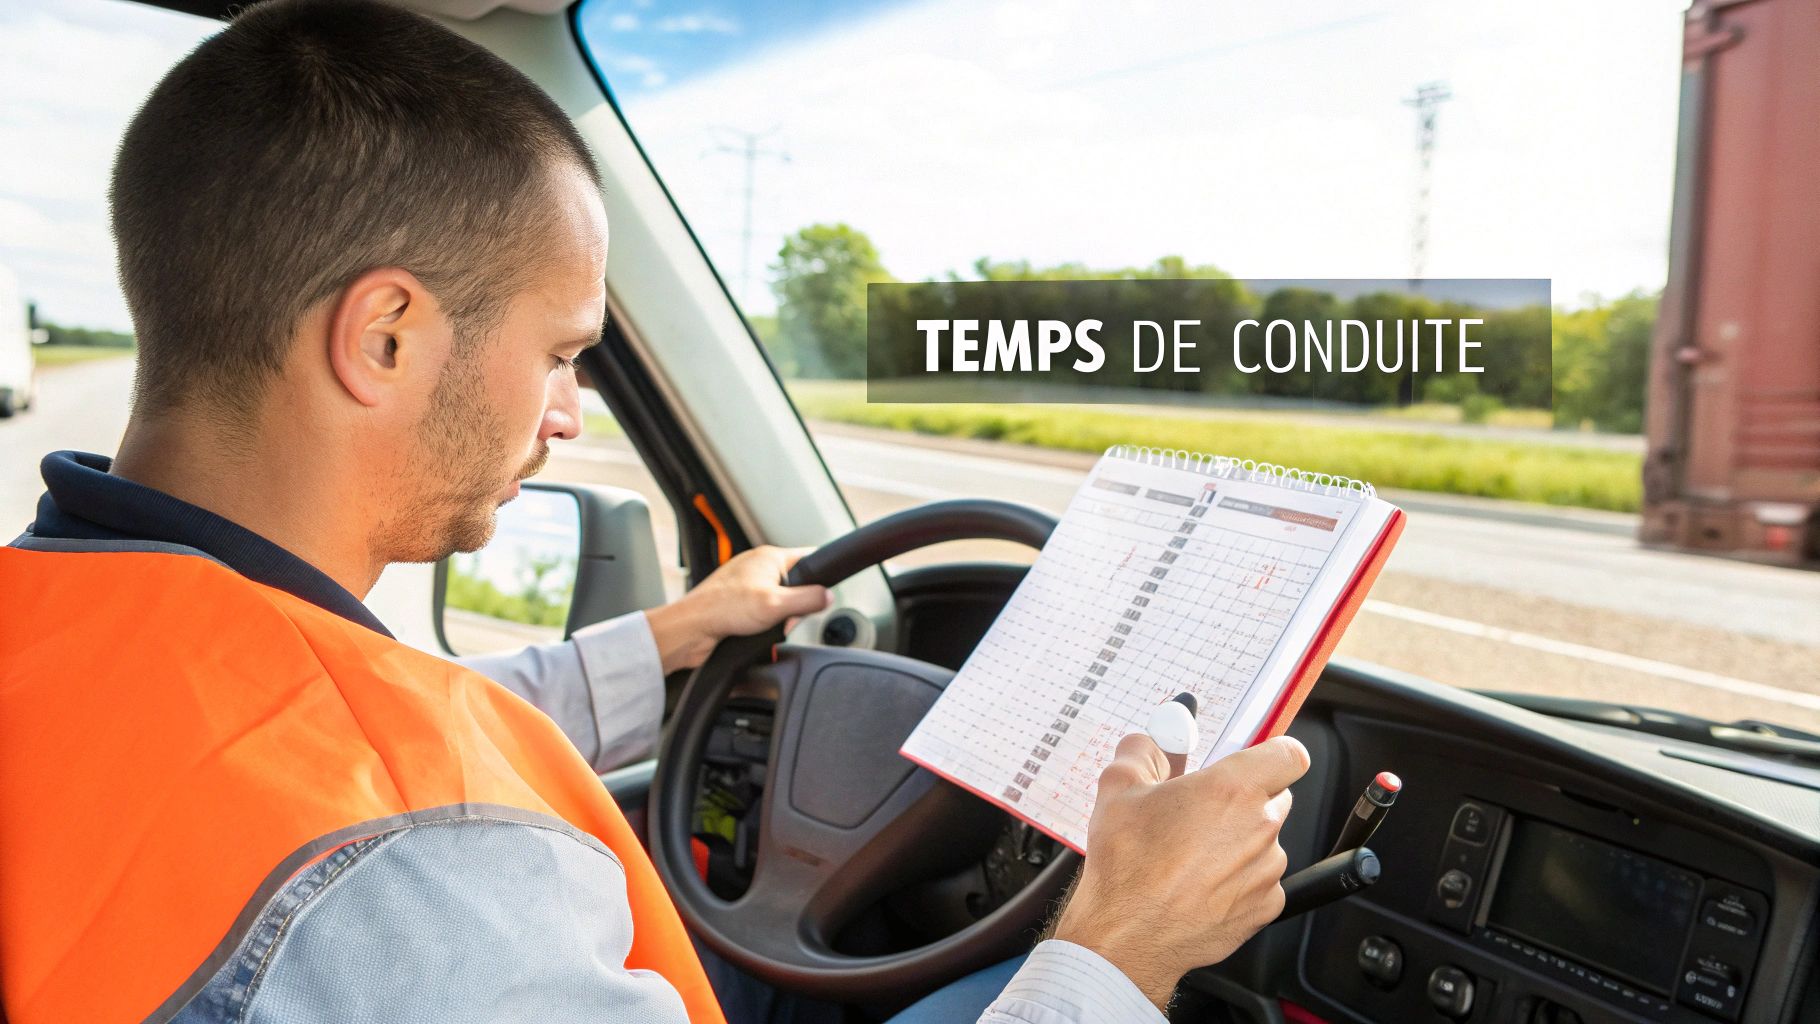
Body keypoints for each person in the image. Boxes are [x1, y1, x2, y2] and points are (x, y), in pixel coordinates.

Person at [0, 3, 1308, 1023]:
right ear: (385, 337)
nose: (569, 413)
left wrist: (671, 639)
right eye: (562, 353)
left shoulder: (60, 622)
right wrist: (1121, 944)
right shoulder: (424, 866)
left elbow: (334, 723)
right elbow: (380, 786)